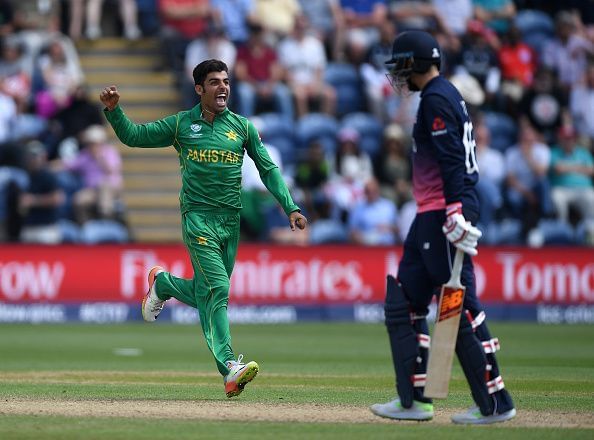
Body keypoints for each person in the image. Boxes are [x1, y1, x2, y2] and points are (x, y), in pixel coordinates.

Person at [100, 59, 307, 398]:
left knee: (207, 293)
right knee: (219, 290)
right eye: (214, 82)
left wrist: (291, 207)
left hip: (231, 221)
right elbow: (135, 137)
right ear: (199, 89)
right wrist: (115, 112)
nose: (222, 87)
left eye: (226, 81)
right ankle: (229, 367)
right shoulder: (182, 124)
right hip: (197, 218)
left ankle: (164, 283)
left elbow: (268, 169)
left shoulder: (242, 127)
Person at [369, 30, 515, 424]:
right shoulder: (443, 94)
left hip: (443, 212)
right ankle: (414, 400)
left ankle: (496, 403)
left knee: (458, 306)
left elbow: (452, 161)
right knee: (406, 302)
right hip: (428, 214)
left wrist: (455, 210)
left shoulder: (436, 96)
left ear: (415, 64)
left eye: (401, 65)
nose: (398, 74)